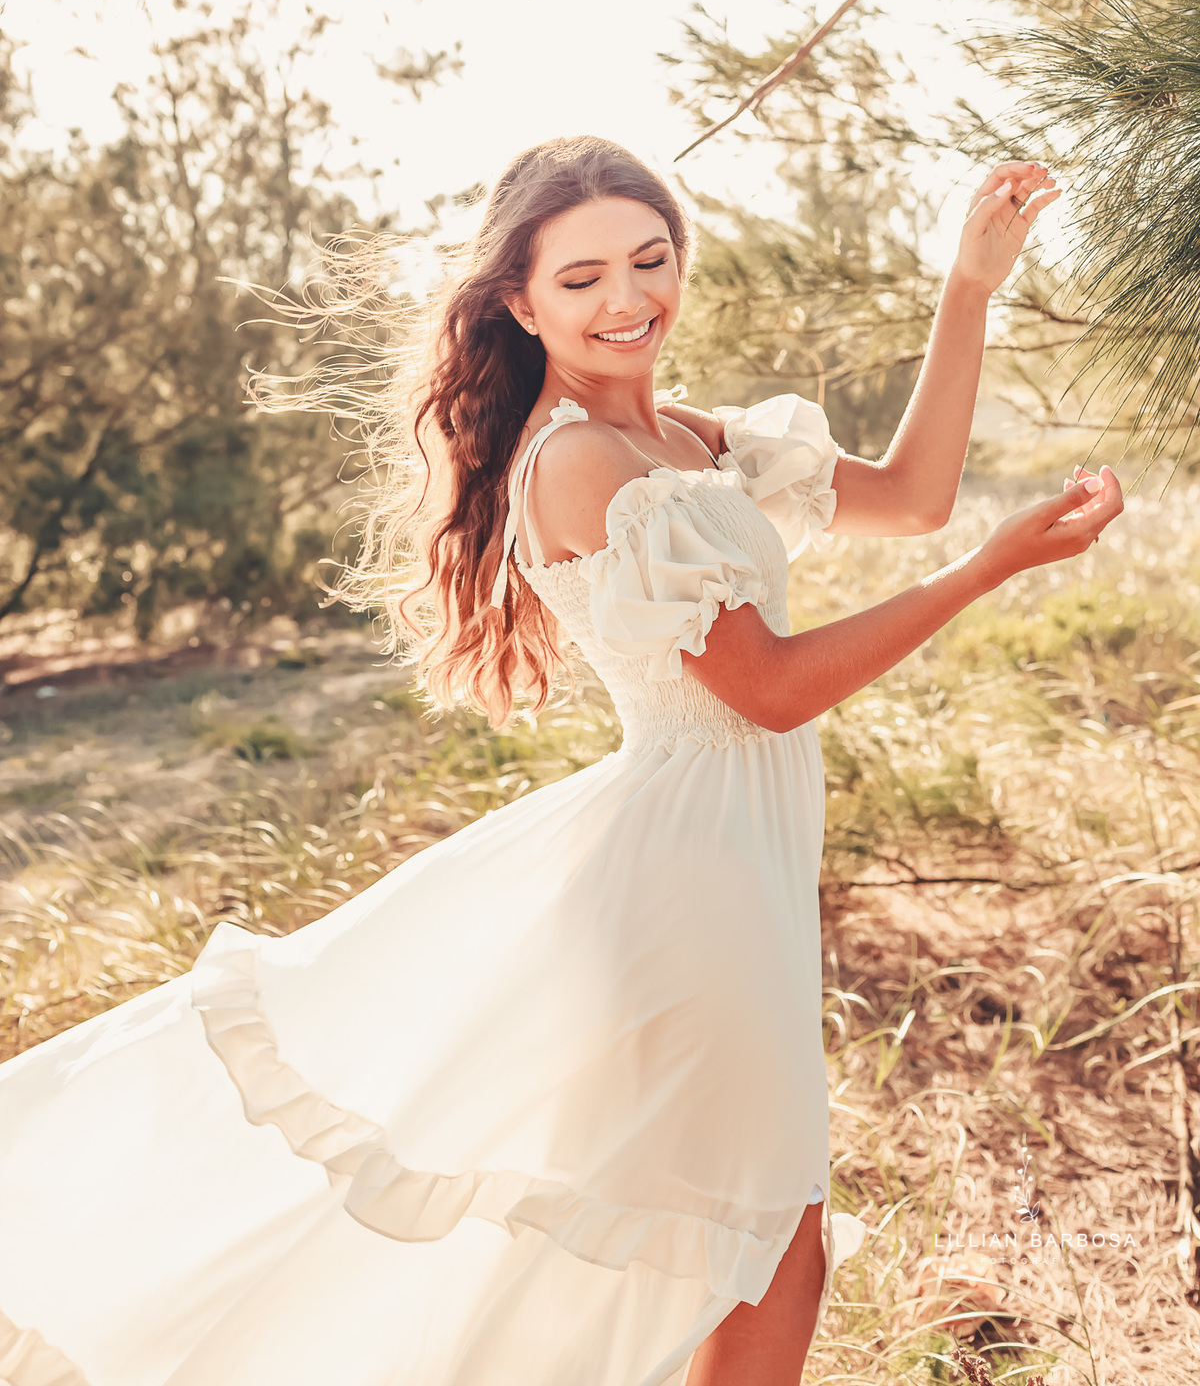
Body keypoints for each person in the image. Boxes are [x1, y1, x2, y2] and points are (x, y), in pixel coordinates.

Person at [0, 136, 1122, 1386]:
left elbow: (913, 494)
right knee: (763, 1250)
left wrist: (967, 288)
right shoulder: (581, 461)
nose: (626, 298)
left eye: (651, 260)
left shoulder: (691, 441)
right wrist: (988, 573)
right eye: (581, 278)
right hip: (680, 885)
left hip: (729, 866)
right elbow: (767, 689)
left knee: (745, 1253)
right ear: (520, 304)